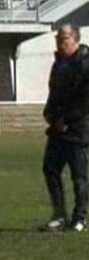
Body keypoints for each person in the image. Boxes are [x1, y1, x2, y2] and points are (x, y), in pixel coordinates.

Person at [42, 24, 89, 233]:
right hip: (57, 128)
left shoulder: (84, 63)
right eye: (58, 39)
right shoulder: (59, 63)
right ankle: (59, 214)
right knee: (50, 168)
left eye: (64, 39)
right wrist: (49, 113)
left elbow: (84, 99)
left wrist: (68, 119)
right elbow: (54, 92)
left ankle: (80, 217)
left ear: (76, 39)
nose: (60, 43)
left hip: (78, 128)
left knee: (78, 175)